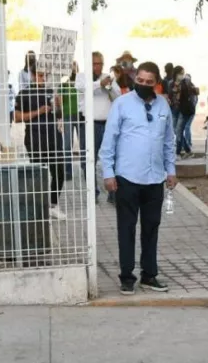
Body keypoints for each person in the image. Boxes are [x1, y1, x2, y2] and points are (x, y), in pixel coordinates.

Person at [99, 61, 178, 295]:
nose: (143, 85)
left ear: (157, 83)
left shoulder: (163, 105)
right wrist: (108, 173)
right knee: (127, 228)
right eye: (140, 81)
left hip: (154, 179)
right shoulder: (122, 104)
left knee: (151, 228)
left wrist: (171, 170)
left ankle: (149, 275)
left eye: (148, 82)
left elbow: (168, 141)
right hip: (127, 177)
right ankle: (126, 276)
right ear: (135, 80)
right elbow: (109, 141)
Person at [15, 70, 67, 220]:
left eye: (46, 75)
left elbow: (59, 115)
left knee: (59, 171)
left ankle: (53, 204)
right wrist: (39, 111)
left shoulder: (52, 90)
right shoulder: (25, 93)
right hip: (35, 137)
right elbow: (17, 118)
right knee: (39, 173)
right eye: (39, 75)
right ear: (32, 76)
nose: (43, 78)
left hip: (54, 136)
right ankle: (40, 207)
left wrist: (58, 106)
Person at [90, 51, 122, 203]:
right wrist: (98, 84)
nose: (98, 67)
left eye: (100, 63)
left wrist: (109, 87)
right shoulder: (82, 77)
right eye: (95, 63)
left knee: (112, 158)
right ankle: (93, 194)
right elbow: (82, 90)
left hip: (108, 124)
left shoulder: (107, 78)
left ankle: (113, 195)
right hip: (90, 125)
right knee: (90, 161)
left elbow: (118, 97)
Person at [58, 60, 83, 182]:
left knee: (83, 144)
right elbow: (59, 101)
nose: (73, 69)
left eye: (74, 67)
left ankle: (85, 169)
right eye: (70, 67)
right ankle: (68, 171)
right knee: (67, 145)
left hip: (79, 115)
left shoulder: (81, 81)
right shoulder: (64, 83)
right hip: (67, 115)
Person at [170, 65, 199, 157]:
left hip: (183, 110)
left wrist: (193, 89)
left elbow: (193, 92)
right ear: (176, 73)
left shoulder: (186, 83)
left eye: (182, 73)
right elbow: (170, 95)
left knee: (178, 131)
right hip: (174, 109)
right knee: (176, 131)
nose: (181, 75)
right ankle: (188, 151)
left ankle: (178, 153)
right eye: (180, 73)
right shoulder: (171, 83)